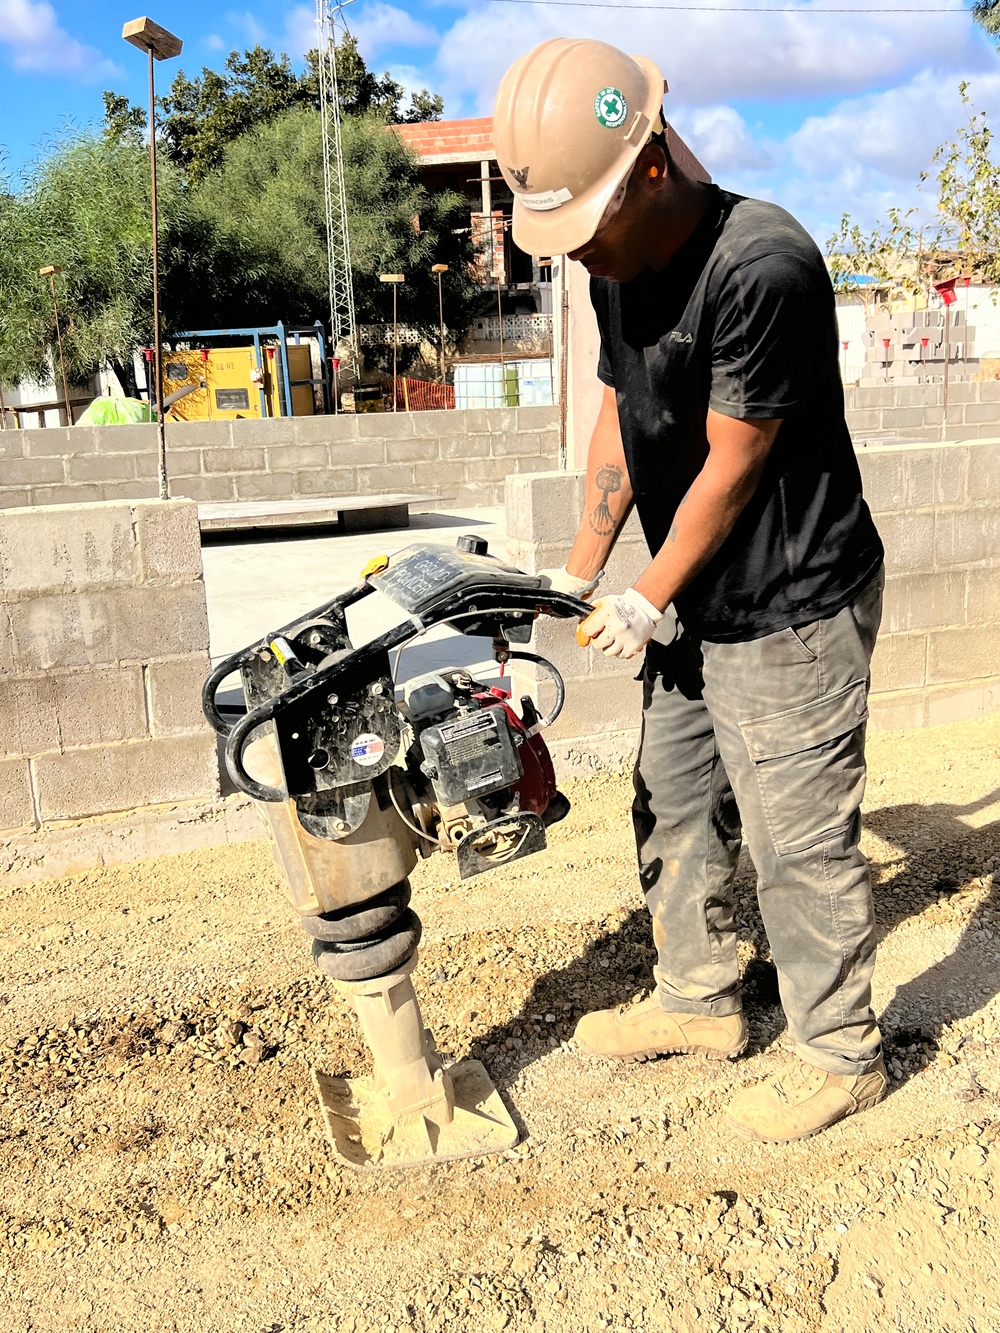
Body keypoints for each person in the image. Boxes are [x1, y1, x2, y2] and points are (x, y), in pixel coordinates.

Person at [492, 37, 887, 1143]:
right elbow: (621, 408)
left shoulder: (762, 265)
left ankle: (839, 1050)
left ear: (651, 165)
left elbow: (737, 457)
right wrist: (582, 562)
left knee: (796, 839)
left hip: (791, 603)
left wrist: (648, 591)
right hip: (693, 600)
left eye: (586, 229)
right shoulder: (619, 261)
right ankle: (699, 997)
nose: (577, 258)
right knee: (673, 801)